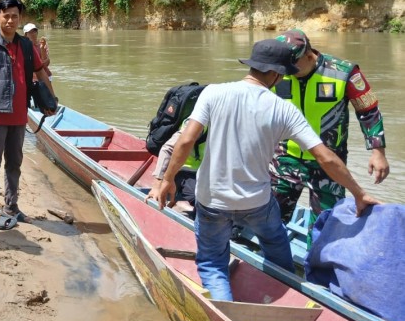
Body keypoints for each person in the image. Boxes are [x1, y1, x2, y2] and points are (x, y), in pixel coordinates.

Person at [151, 38, 380, 302]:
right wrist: (358, 193)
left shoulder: (212, 93)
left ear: (252, 65)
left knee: (212, 263)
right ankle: (288, 294)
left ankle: (225, 311)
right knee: (276, 243)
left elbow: (185, 141)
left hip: (212, 201)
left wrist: (167, 179)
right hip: (257, 202)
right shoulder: (284, 109)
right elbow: (326, 157)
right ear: (277, 74)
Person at [272, 29, 390, 223]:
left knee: (325, 225)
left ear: (309, 55)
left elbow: (369, 111)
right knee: (270, 220)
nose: (286, 70)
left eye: (292, 64)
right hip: (284, 158)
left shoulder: (344, 73)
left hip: (329, 163)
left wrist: (378, 152)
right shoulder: (276, 70)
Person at [0, 0, 56, 229]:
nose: (10, 20)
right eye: (6, 16)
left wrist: (51, 99)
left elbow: (41, 72)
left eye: (15, 16)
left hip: (19, 116)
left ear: (20, 18)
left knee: (15, 163)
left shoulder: (27, 46)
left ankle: (11, 207)